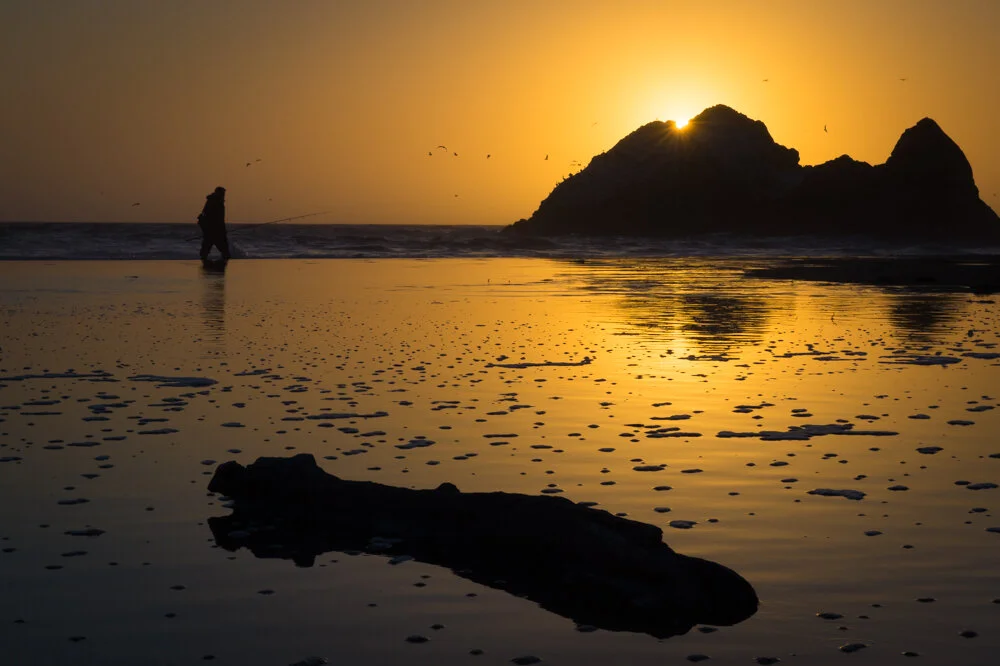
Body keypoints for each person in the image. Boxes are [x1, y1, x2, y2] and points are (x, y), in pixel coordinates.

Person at [198, 186, 230, 262]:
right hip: (215, 229)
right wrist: (223, 230)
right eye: (222, 193)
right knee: (223, 249)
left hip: (210, 229)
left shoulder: (212, 201)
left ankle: (204, 261)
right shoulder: (216, 202)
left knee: (207, 246)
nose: (224, 195)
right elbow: (219, 219)